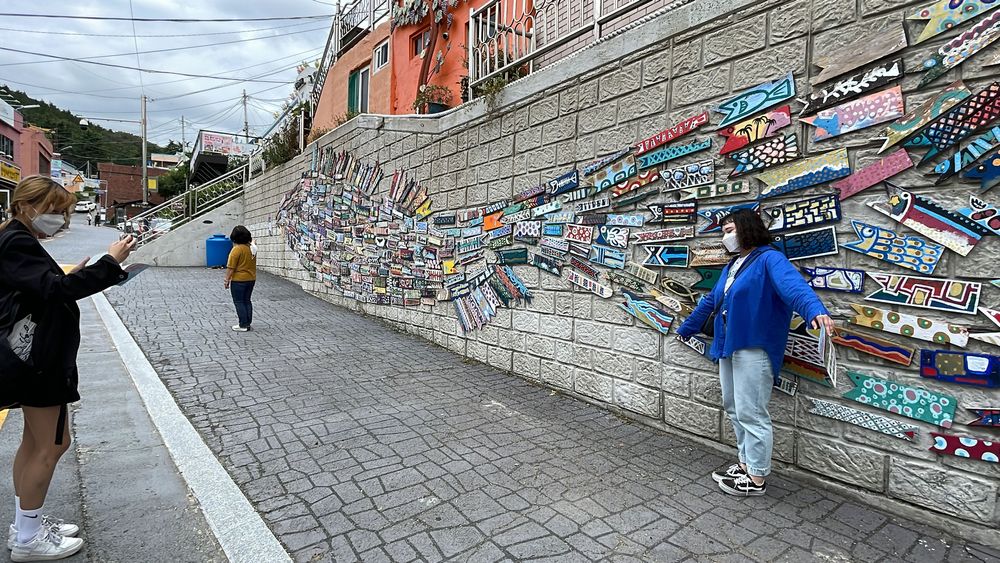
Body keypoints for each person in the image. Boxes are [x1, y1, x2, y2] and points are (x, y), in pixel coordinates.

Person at [0, 175, 135, 561]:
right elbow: (54, 292)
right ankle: (27, 539)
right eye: (56, 211)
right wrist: (111, 263)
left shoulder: (14, 236)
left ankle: (25, 524)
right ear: (28, 207)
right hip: (38, 360)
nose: (61, 220)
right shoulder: (18, 241)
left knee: (32, 442)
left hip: (29, 357)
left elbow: (42, 287)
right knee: (54, 444)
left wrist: (69, 277)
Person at [676, 209, 834, 497]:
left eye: (730, 230)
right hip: (728, 345)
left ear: (748, 229)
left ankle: (757, 477)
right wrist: (686, 329)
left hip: (755, 347)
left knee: (752, 412)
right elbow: (711, 299)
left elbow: (794, 287)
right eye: (723, 232)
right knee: (734, 408)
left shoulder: (769, 259)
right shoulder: (733, 266)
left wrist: (815, 311)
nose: (727, 237)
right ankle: (745, 463)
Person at [223, 226, 257, 332]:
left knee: (239, 302)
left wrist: (226, 280)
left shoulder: (236, 250)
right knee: (247, 301)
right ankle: (247, 323)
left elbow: (231, 267)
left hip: (239, 280)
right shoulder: (251, 248)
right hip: (251, 278)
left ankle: (242, 324)